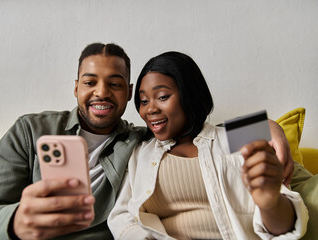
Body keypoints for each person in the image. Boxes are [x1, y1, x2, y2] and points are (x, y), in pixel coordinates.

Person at [0, 43, 295, 240]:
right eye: (90, 82)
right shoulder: (32, 131)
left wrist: (267, 127)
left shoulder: (141, 140)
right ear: (76, 87)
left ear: (127, 93)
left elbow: (201, 135)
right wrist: (16, 223)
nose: (101, 92)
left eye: (115, 84)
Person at [108, 51, 308, 240]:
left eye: (162, 97)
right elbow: (121, 216)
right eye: (143, 101)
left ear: (190, 95)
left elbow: (288, 228)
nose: (150, 109)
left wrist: (270, 205)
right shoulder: (139, 152)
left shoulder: (234, 137)